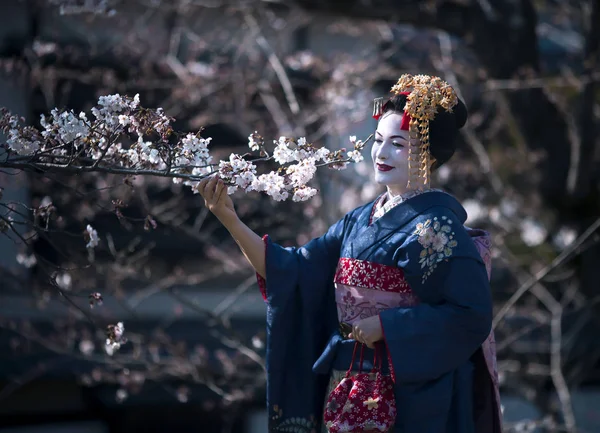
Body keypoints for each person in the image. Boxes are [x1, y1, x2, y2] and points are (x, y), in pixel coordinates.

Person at [198, 74, 502, 433]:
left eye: (398, 144)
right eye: (378, 140)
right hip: (348, 383)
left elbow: (470, 313)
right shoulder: (358, 220)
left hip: (410, 395)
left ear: (428, 155)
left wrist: (387, 327)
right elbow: (292, 271)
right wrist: (230, 220)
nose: (381, 153)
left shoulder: (436, 228)